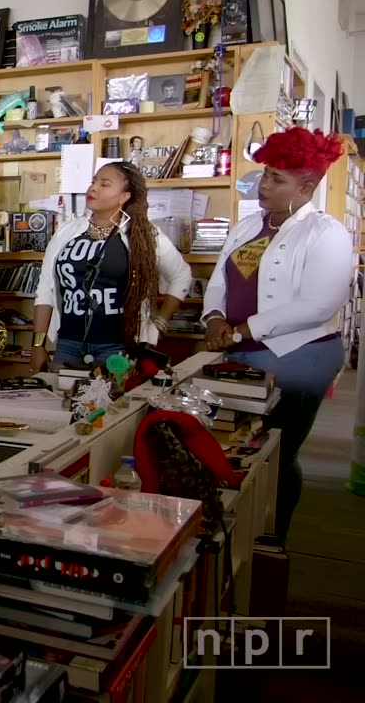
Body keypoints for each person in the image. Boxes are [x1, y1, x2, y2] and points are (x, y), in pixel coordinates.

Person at [200, 127, 352, 543]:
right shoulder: (247, 225)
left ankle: (271, 541)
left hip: (300, 356)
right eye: (265, 174)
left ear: (307, 186)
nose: (263, 185)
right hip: (238, 351)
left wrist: (244, 329)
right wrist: (213, 318)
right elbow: (219, 281)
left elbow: (319, 305)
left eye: (277, 179)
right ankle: (233, 529)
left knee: (277, 455)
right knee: (235, 450)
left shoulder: (328, 233)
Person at [31, 162, 190, 371]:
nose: (93, 188)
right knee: (61, 401)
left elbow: (182, 275)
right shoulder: (66, 232)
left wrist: (159, 324)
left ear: (124, 197)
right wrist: (37, 344)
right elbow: (45, 289)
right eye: (93, 182)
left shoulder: (144, 236)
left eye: (104, 184)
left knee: (113, 403)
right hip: (68, 344)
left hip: (117, 348)